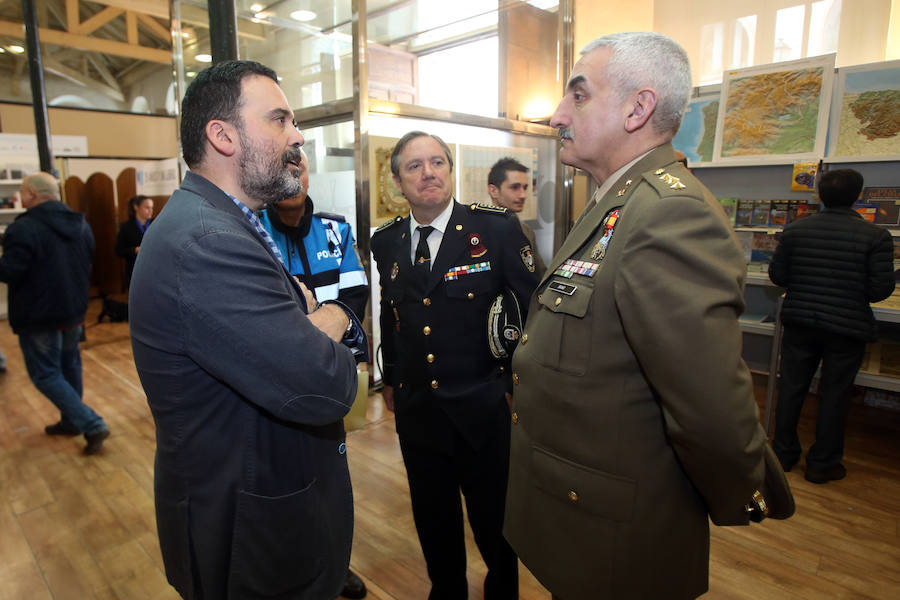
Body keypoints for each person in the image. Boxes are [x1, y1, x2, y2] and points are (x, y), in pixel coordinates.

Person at [503, 32, 770, 600]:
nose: (556, 115)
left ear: (637, 108)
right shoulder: (615, 202)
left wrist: (735, 492)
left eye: (577, 96)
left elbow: (708, 408)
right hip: (580, 507)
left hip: (618, 532)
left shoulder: (667, 213)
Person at [129, 60, 366, 600]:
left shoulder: (225, 221)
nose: (297, 136)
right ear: (223, 136)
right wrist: (335, 318)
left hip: (265, 504)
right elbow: (324, 386)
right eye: (279, 120)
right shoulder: (207, 242)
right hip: (249, 535)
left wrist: (311, 324)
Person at [371, 131, 539, 599]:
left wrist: (513, 382)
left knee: (494, 521)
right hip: (419, 412)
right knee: (433, 516)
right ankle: (446, 590)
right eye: (414, 166)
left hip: (482, 407)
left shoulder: (496, 229)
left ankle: (503, 589)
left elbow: (532, 309)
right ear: (398, 184)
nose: (429, 172)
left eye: (438, 162)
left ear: (450, 169)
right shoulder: (386, 242)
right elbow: (392, 313)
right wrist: (392, 377)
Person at [259, 148, 369, 600]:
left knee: (331, 481)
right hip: (271, 382)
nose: (296, 172)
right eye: (287, 166)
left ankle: (335, 567)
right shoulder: (250, 230)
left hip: (328, 375)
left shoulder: (336, 229)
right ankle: (287, 569)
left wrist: (334, 317)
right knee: (278, 481)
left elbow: (357, 291)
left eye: (301, 166)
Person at [769, 168, 895, 484]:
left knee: (792, 387)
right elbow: (880, 290)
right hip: (846, 325)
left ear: (820, 195)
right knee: (835, 394)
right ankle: (822, 464)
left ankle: (781, 456)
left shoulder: (795, 231)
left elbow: (778, 276)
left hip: (801, 322)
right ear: (858, 196)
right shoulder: (876, 237)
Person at [0, 171, 109, 454]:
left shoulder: (23, 229)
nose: (20, 197)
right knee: (69, 365)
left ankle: (90, 422)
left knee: (46, 374)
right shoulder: (81, 224)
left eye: (22, 191)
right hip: (72, 311)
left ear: (32, 194)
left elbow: (10, 271)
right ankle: (71, 421)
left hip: (38, 317)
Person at [487, 157, 547, 277]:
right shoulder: (478, 231)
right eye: (515, 187)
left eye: (525, 188)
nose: (523, 195)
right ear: (493, 191)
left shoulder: (526, 231)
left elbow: (539, 274)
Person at [115, 194, 154, 290]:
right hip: (134, 271)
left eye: (152, 208)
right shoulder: (126, 227)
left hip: (153, 269)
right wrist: (134, 250)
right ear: (136, 207)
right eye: (147, 208)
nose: (150, 211)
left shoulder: (155, 224)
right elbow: (118, 250)